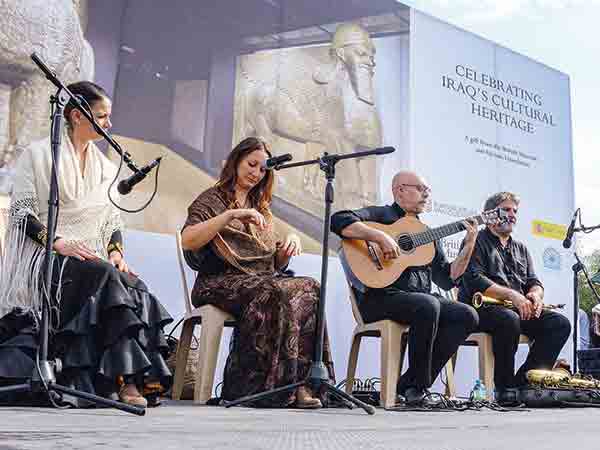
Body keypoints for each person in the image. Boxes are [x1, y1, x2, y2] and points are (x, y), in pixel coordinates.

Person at [0, 81, 172, 408]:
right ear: (78, 115)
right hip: (48, 258)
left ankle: (124, 379)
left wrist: (117, 252)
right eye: (102, 116)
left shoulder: (105, 167)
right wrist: (57, 242)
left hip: (91, 259)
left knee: (135, 284)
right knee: (105, 274)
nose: (109, 124)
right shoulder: (38, 154)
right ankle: (126, 382)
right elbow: (22, 215)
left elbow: (113, 222)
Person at [181, 137, 332, 409]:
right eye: (251, 164)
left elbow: (270, 264)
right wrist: (229, 216)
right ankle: (255, 388)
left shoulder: (261, 207)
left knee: (311, 287)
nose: (256, 173)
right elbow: (188, 239)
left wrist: (288, 246)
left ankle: (300, 385)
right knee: (273, 290)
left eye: (263, 169)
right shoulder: (212, 198)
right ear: (237, 161)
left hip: (257, 282)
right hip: (217, 282)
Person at [331, 170, 479, 404]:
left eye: (427, 191)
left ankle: (408, 385)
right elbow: (339, 220)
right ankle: (416, 390)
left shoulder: (427, 234)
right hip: (379, 298)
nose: (426, 195)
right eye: (421, 189)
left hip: (419, 300)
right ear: (400, 190)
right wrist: (380, 237)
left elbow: (447, 279)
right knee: (427, 304)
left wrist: (469, 245)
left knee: (466, 314)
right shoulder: (381, 215)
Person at [458, 192, 571, 404]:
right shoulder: (476, 240)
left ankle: (524, 383)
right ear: (489, 214)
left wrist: (535, 295)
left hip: (517, 309)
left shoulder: (521, 248)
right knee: (508, 319)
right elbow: (474, 279)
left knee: (559, 324)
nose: (511, 215)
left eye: (514, 211)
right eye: (506, 210)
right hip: (481, 309)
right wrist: (514, 296)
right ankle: (505, 388)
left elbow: (533, 281)